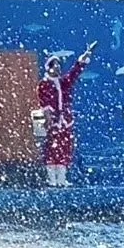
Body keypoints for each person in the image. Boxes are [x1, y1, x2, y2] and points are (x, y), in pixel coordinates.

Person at [36, 44, 94, 187]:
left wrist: (84, 58)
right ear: (48, 67)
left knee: (64, 148)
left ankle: (61, 179)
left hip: (65, 121)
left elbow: (74, 73)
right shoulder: (43, 84)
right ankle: (52, 179)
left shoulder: (63, 83)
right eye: (54, 65)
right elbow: (44, 102)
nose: (57, 68)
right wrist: (49, 117)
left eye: (58, 65)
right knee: (52, 149)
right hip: (52, 121)